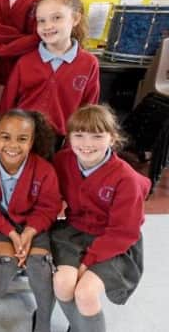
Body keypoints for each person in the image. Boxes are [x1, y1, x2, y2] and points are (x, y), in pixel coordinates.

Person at [52, 105, 150, 332]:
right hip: (74, 231)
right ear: (69, 137)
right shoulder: (62, 160)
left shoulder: (126, 179)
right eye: (79, 135)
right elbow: (49, 196)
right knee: (62, 283)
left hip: (115, 241)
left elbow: (124, 232)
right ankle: (79, 327)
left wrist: (88, 262)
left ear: (112, 138)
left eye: (97, 136)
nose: (87, 144)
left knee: (85, 293)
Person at [0, 109, 61, 332]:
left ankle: (42, 321)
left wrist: (29, 232)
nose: (12, 145)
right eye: (5, 137)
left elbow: (48, 208)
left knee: (41, 267)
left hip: (32, 225)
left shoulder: (44, 169)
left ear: (32, 141)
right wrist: (12, 234)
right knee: (5, 263)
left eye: (22, 139)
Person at [0, 0, 100, 145]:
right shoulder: (25, 62)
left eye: (56, 18)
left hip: (61, 143)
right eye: (41, 20)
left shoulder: (88, 64)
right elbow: (7, 106)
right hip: (21, 141)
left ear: (75, 18)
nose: (47, 26)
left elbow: (87, 112)